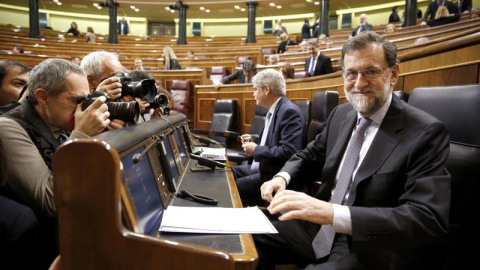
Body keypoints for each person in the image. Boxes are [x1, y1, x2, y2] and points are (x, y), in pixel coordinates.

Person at [254, 31, 451, 270]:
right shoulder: (341, 114)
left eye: (370, 71)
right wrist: (282, 177)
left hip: (368, 246)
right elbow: (309, 154)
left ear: (393, 74)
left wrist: (334, 213)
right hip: (318, 227)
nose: (359, 83)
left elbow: (426, 218)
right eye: (351, 73)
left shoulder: (425, 132)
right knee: (242, 240)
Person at [0, 58, 110, 217]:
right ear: (43, 98)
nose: (82, 107)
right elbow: (52, 201)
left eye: (86, 99)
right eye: (77, 100)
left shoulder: (60, 122)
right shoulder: (7, 127)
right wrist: (82, 136)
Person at [232, 69, 306, 206]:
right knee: (227, 173)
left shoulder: (289, 112)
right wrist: (255, 139)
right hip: (261, 167)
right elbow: (274, 139)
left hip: (273, 174)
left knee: (231, 188)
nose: (253, 94)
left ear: (266, 89)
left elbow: (290, 151)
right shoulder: (277, 109)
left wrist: (257, 150)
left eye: (255, 89)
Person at [80, 51, 151, 128]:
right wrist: (99, 97)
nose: (121, 83)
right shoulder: (79, 110)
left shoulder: (124, 100)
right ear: (91, 81)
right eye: (116, 77)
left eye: (123, 77)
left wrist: (133, 114)